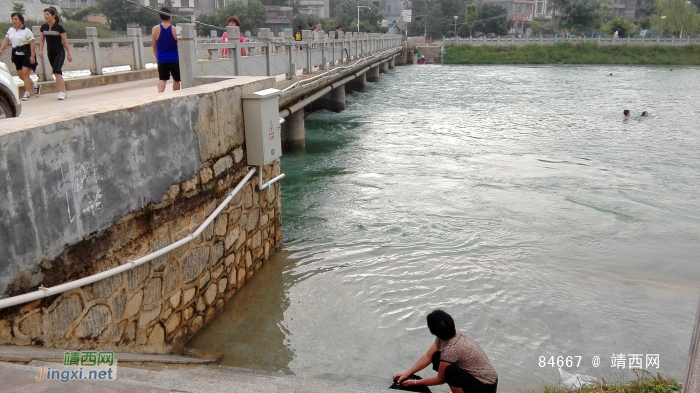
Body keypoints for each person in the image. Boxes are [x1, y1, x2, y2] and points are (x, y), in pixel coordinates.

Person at [393, 310, 498, 393]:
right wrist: (407, 373)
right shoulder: (447, 335)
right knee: (436, 357)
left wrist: (414, 382)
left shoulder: (451, 349)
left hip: (485, 387)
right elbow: (428, 356)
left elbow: (440, 379)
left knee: (449, 372)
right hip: (476, 378)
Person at [0, 12, 40, 101]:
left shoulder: (27, 31)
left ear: (21, 20)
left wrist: (32, 55)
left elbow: (32, 44)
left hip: (27, 53)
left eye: (16, 19)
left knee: (25, 73)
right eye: (12, 19)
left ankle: (27, 93)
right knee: (21, 75)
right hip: (16, 54)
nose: (14, 21)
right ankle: (35, 86)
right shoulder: (10, 30)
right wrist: (1, 49)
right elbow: (6, 40)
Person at [39, 7, 72, 100]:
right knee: (57, 72)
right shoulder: (43, 27)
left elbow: (65, 42)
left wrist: (69, 54)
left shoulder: (59, 27)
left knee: (56, 71)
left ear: (53, 16)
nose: (45, 16)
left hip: (59, 52)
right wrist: (41, 51)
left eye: (47, 14)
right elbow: (41, 40)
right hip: (50, 52)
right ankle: (64, 91)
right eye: (44, 14)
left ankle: (61, 92)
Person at [152, 7, 179, 93]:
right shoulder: (174, 30)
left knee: (162, 79)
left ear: (161, 17)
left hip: (162, 58)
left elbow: (154, 46)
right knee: (176, 79)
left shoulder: (155, 29)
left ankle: (160, 95)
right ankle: (175, 95)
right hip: (174, 59)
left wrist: (157, 57)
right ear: (170, 17)